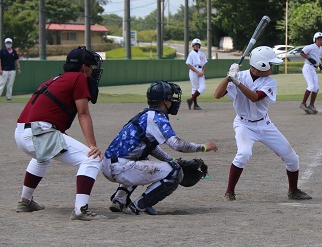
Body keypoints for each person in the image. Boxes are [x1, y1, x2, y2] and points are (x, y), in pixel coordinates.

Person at [14, 46, 105, 221]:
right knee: (91, 158)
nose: (93, 71)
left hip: (21, 133)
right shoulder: (79, 77)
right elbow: (83, 113)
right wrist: (92, 145)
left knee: (43, 156)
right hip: (39, 132)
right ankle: (81, 210)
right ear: (84, 67)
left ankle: (25, 201)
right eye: (92, 67)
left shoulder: (57, 78)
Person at [102, 80, 218, 215]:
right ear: (164, 102)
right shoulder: (157, 117)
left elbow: (150, 148)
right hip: (120, 168)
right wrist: (203, 147)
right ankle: (139, 205)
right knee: (175, 172)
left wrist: (172, 159)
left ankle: (119, 199)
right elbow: (177, 144)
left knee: (142, 158)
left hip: (108, 164)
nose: (173, 102)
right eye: (171, 99)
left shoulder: (145, 114)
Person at [214, 46, 312, 201]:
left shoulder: (270, 82)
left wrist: (237, 82)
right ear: (261, 65)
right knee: (244, 154)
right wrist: (228, 78)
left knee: (292, 158)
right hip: (244, 125)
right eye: (270, 64)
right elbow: (217, 95)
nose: (272, 67)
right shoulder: (238, 76)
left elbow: (255, 97)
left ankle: (293, 191)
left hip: (265, 125)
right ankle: (229, 192)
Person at [299, 32, 322, 114]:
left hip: (313, 68)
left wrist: (319, 64)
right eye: (318, 39)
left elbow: (315, 58)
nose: (320, 41)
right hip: (307, 67)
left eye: (321, 39)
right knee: (311, 86)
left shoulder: (319, 48)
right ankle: (303, 103)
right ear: (315, 40)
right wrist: (309, 58)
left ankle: (311, 105)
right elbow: (301, 52)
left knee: (316, 87)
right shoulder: (311, 46)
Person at [185, 38, 208, 110]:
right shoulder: (191, 54)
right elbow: (189, 65)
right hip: (193, 71)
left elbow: (204, 64)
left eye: (198, 45)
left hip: (200, 70)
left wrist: (202, 71)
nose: (197, 46)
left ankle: (190, 100)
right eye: (195, 45)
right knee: (194, 88)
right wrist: (197, 72)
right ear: (193, 45)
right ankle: (195, 105)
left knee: (203, 87)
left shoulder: (202, 54)